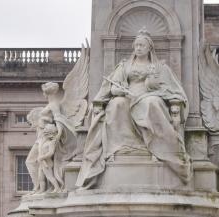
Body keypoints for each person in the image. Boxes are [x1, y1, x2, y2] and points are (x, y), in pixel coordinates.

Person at [77, 29, 191, 188]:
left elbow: (171, 88)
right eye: (136, 45)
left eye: (142, 45)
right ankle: (119, 148)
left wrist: (154, 87)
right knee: (116, 104)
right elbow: (112, 87)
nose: (138, 48)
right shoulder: (125, 65)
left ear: (149, 48)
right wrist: (118, 91)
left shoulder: (158, 66)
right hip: (128, 97)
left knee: (153, 103)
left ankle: (158, 148)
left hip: (151, 96)